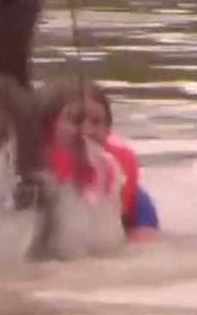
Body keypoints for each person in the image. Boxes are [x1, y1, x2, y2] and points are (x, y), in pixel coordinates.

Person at [39, 76, 160, 242]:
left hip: (135, 210)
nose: (86, 131)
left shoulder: (118, 176)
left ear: (108, 130)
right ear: (50, 127)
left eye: (96, 122)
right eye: (75, 120)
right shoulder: (37, 168)